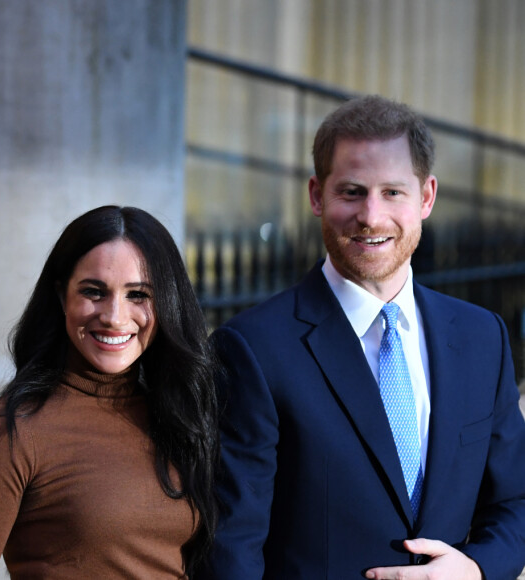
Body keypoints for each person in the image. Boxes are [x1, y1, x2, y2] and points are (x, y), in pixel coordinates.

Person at [199, 96, 525, 579]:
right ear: (316, 195)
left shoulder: (482, 337)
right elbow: (233, 548)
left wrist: (476, 570)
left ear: (427, 197)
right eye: (352, 191)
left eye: (393, 192)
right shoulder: (252, 349)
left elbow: (516, 501)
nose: (371, 216)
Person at [0, 205, 218, 579]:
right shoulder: (10, 433)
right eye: (94, 291)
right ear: (61, 297)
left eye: (138, 294)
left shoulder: (177, 414)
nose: (114, 316)